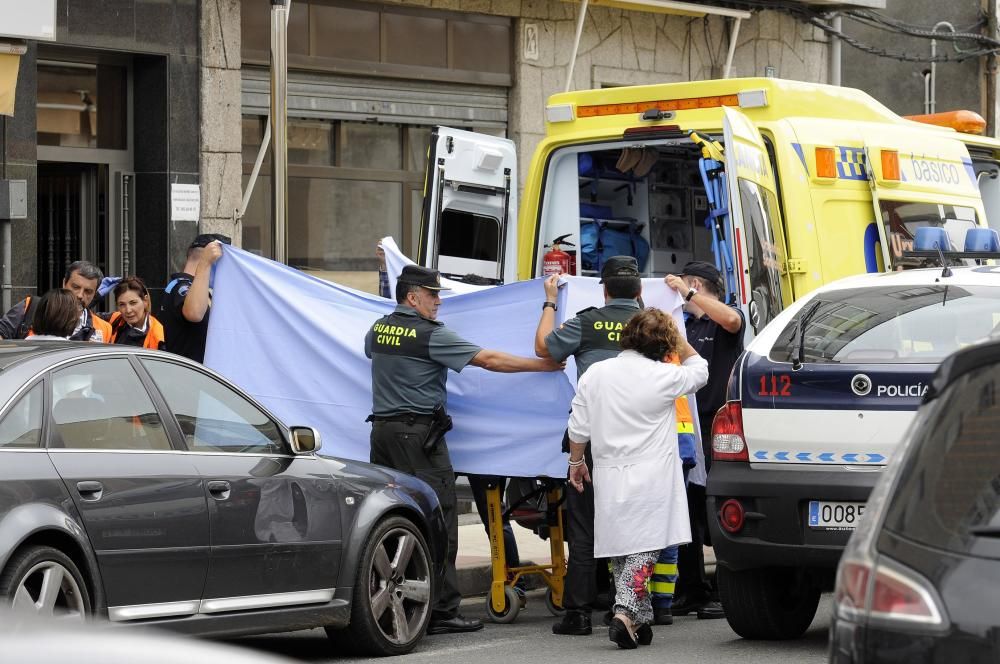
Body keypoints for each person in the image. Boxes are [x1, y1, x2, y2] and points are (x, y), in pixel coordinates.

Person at [365, 264, 563, 635]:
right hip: (419, 439)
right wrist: (543, 364)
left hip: (382, 434)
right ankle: (440, 610)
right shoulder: (429, 335)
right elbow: (489, 360)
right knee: (439, 520)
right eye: (432, 294)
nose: (438, 301)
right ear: (412, 297)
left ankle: (406, 597)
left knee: (395, 518)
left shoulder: (378, 329)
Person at [566, 307, 708, 649]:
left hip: (611, 474)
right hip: (653, 477)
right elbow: (700, 370)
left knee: (622, 549)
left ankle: (640, 621)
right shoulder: (663, 376)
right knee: (647, 548)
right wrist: (681, 341)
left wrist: (576, 462)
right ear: (664, 344)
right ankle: (626, 612)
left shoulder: (596, 373)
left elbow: (578, 426)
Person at [534, 255, 641, 637]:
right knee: (633, 528)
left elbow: (544, 348)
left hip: (592, 439)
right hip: (641, 442)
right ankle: (630, 608)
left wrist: (549, 300)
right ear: (640, 290)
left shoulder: (588, 321)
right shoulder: (651, 324)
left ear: (605, 289)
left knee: (584, 526)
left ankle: (578, 615)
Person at [664, 261, 745, 620]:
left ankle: (729, 589)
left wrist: (688, 293)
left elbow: (733, 322)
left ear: (694, 283)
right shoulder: (685, 325)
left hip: (719, 426)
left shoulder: (724, 316)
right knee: (690, 508)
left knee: (719, 509)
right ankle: (694, 589)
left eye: (680, 284)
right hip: (686, 427)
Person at [0, 261, 112, 342]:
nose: (80, 295)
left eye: (88, 291)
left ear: (95, 293)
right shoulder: (31, 306)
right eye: (75, 287)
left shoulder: (104, 328)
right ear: (64, 283)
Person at [160, 234, 228, 362]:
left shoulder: (195, 288)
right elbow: (194, 313)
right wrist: (205, 264)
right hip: (189, 376)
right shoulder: (180, 286)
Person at [105, 276, 166, 349]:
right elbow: (89, 318)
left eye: (133, 303)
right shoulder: (114, 319)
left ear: (145, 301)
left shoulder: (159, 335)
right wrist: (95, 296)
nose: (128, 310)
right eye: (122, 304)